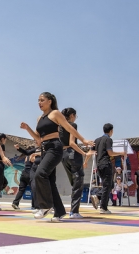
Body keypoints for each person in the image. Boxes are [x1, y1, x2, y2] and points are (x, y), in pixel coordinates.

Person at [20, 92, 94, 221]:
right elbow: (38, 138)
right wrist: (27, 128)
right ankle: (59, 212)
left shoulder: (55, 113)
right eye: (38, 100)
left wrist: (83, 140)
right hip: (44, 149)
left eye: (42, 100)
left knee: (40, 174)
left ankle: (46, 206)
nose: (39, 102)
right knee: (50, 182)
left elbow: (69, 128)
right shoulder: (40, 118)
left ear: (50, 101)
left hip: (55, 148)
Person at [59, 107, 94, 219]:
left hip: (63, 156)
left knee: (74, 184)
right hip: (73, 155)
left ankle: (70, 211)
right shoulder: (72, 126)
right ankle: (74, 212)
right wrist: (84, 154)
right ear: (72, 115)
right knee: (78, 184)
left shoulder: (59, 127)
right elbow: (72, 143)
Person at [90, 123, 126, 214]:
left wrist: (86, 161)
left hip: (99, 165)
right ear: (111, 131)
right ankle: (103, 207)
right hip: (106, 164)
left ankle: (98, 197)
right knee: (107, 185)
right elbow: (110, 153)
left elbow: (91, 151)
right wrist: (121, 152)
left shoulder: (97, 140)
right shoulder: (108, 139)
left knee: (109, 185)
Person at [12, 144, 37, 210]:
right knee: (34, 190)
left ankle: (15, 203)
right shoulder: (33, 156)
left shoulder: (26, 156)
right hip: (30, 174)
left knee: (21, 190)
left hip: (23, 174)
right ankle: (34, 205)